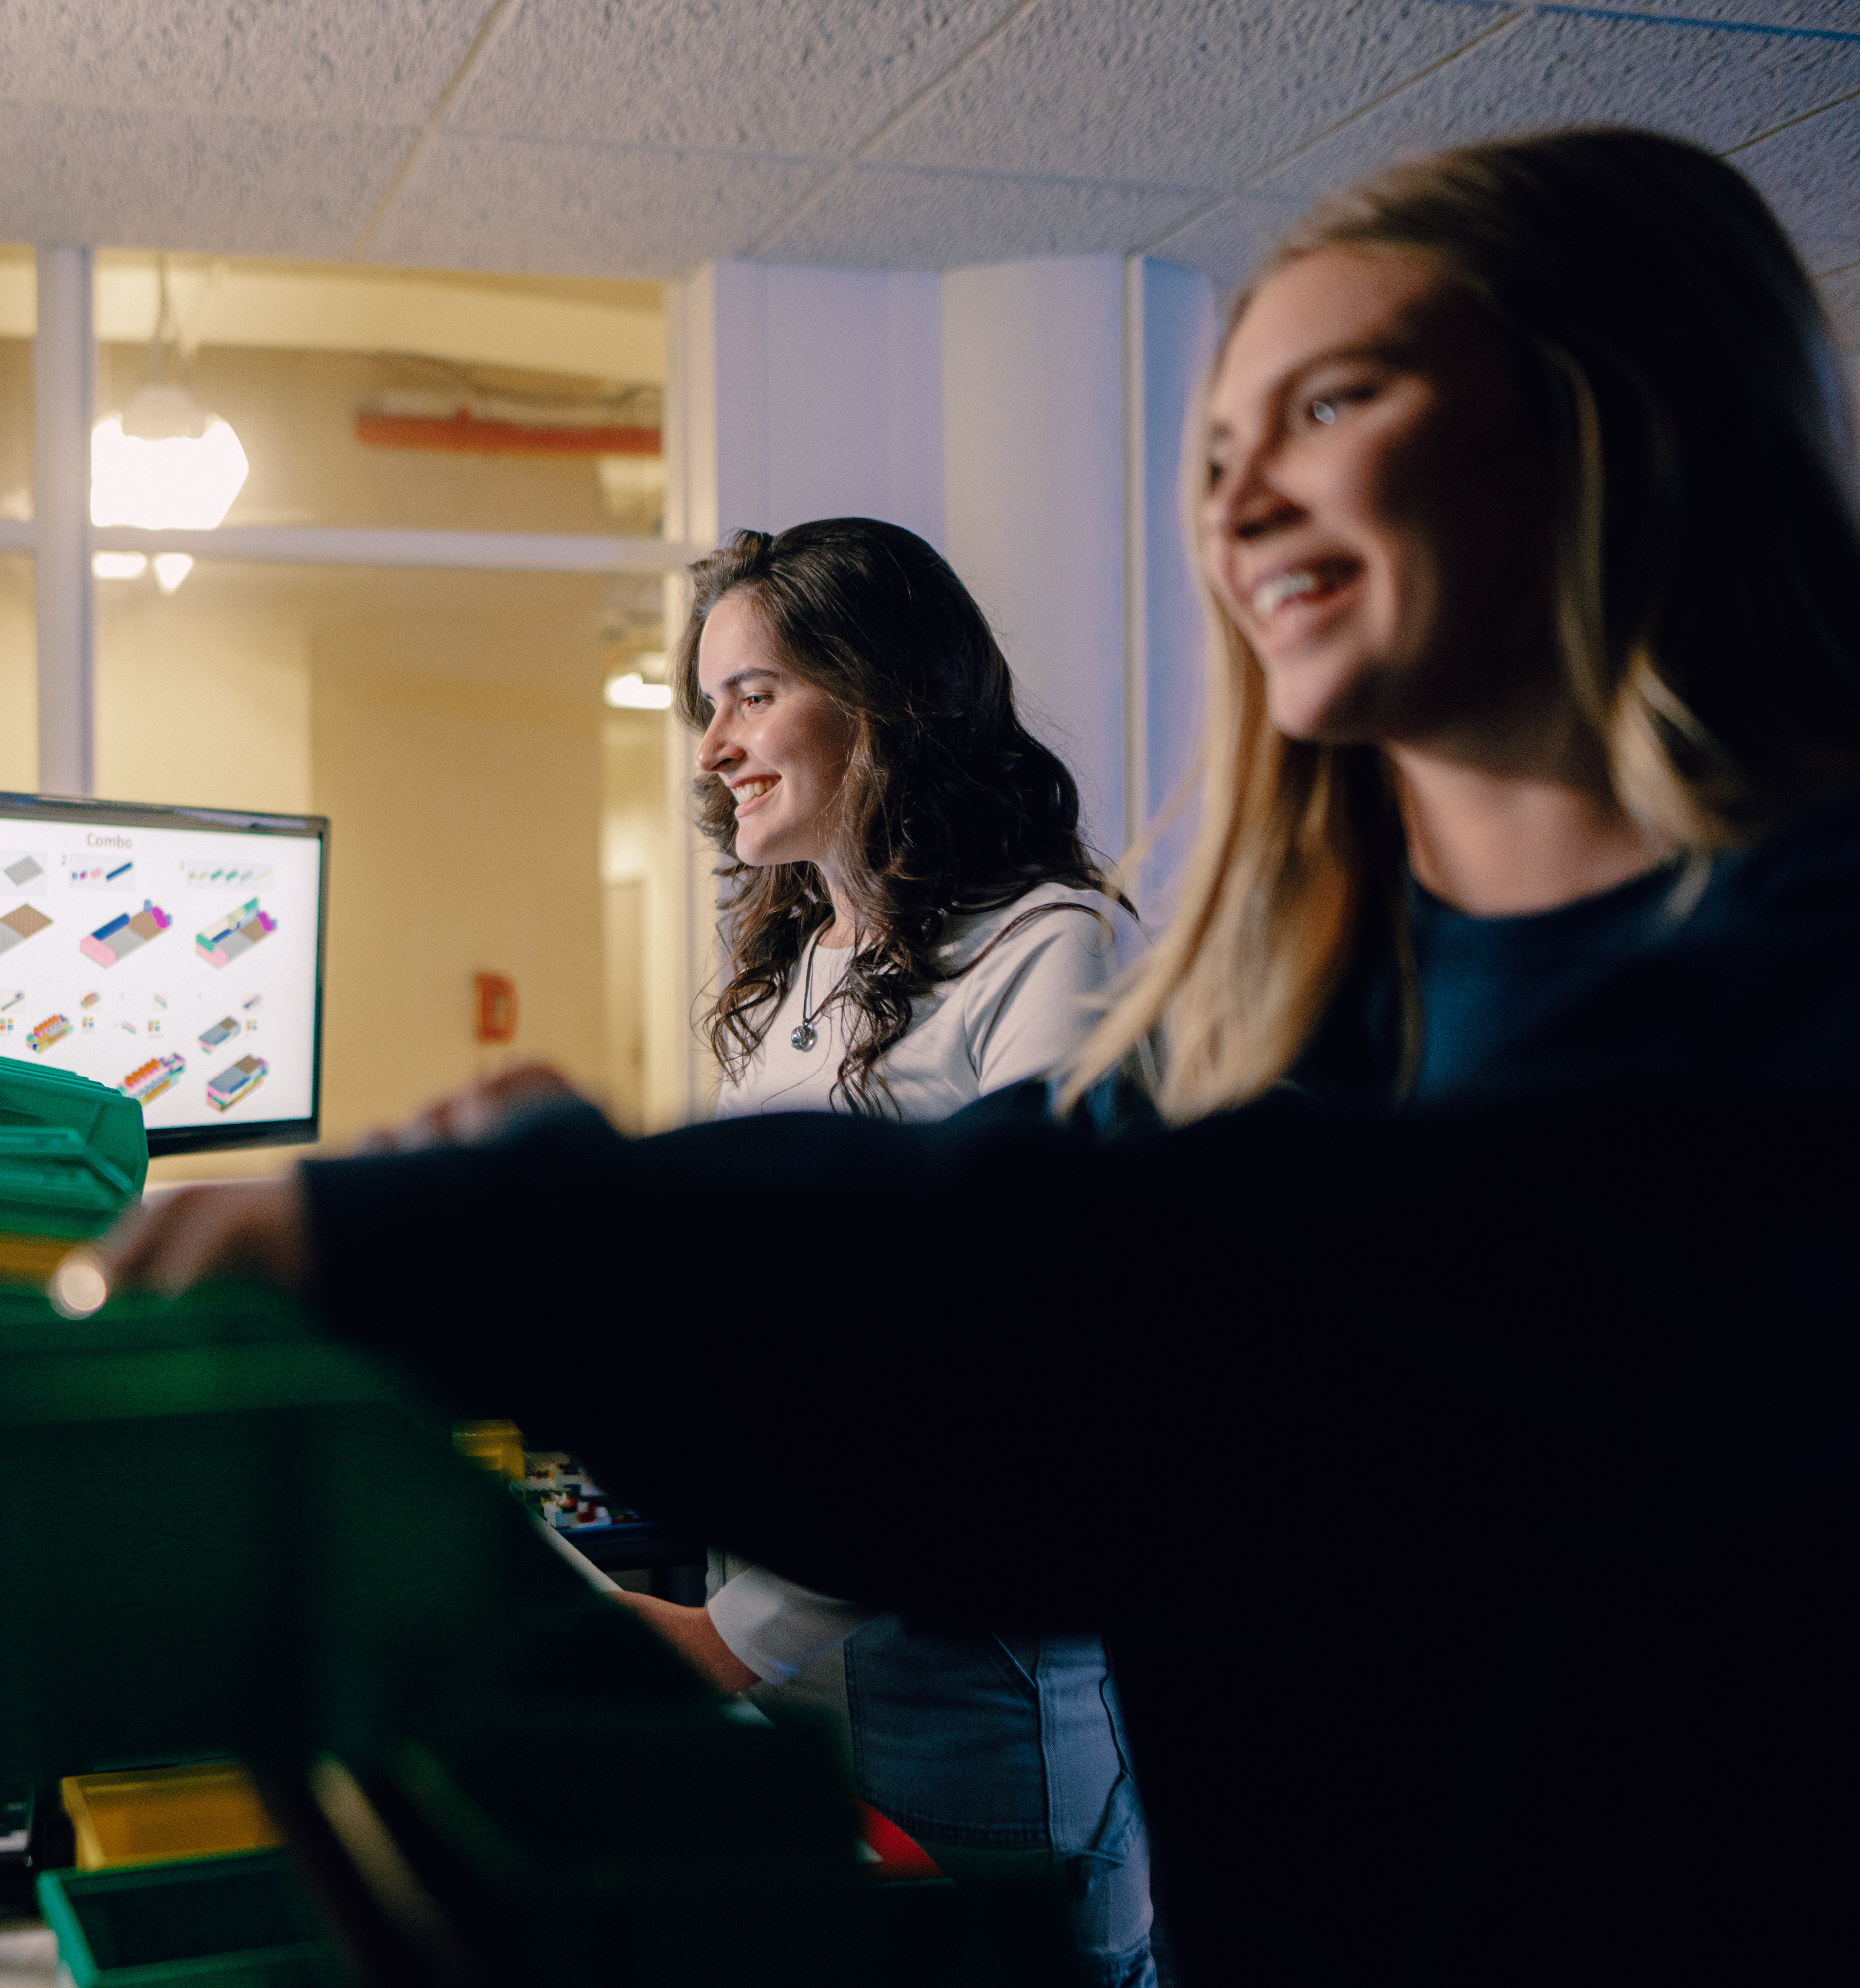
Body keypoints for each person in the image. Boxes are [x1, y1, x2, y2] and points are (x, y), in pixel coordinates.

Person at [106, 127, 1860, 1986]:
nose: (1239, 497)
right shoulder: (1300, 1001)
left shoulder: (1792, 989)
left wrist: (510, 1236)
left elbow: (1137, 1299)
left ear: (1618, 421)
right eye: (1212, 450)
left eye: (1331, 403)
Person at [632, 516, 1151, 1986]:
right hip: (797, 1643)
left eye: (753, 693)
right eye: (706, 705)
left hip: (960, 1682)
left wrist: (736, 1638)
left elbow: (1009, 1366)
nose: (716, 746)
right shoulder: (800, 974)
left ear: (889, 695)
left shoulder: (1053, 950)